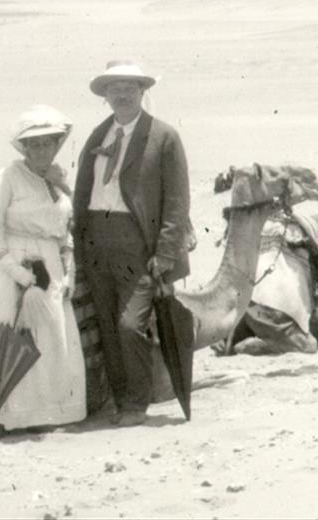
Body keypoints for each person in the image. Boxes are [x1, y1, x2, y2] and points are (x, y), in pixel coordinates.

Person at [73, 60, 191, 427]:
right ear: (104, 96)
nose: (121, 95)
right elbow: (83, 192)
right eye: (113, 88)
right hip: (96, 241)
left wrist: (166, 251)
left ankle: (137, 404)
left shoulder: (164, 137)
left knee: (129, 324)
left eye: (129, 87)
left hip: (137, 244)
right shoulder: (97, 136)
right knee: (107, 325)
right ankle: (121, 399)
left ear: (143, 92)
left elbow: (176, 200)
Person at [0, 105, 86, 440]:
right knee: (3, 334)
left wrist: (70, 269)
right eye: (34, 144)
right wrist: (17, 273)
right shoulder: (6, 178)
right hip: (9, 267)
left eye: (48, 143)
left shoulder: (58, 184)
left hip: (50, 267)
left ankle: (43, 412)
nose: (42, 150)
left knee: (50, 340)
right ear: (24, 147)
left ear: (57, 145)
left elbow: (67, 232)